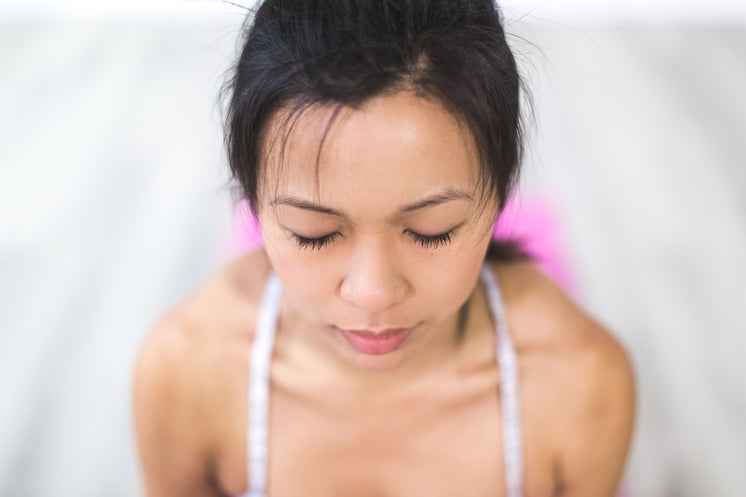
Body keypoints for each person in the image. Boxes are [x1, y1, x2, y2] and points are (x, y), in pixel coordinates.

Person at [133, 1, 636, 496]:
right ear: (256, 205)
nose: (373, 295)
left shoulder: (580, 384)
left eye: (432, 230)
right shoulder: (186, 373)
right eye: (314, 233)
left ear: (499, 197)